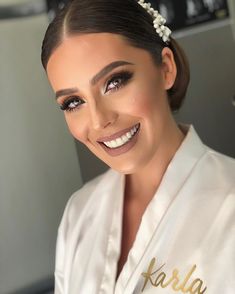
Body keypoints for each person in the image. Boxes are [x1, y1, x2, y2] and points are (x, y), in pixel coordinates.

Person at [41, 0, 235, 293]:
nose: (99, 121)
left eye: (115, 82)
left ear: (166, 69)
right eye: (74, 102)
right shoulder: (79, 212)